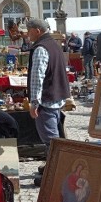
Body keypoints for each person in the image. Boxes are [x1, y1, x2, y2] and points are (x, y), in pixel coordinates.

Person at [26, 18, 69, 183]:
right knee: (53, 136)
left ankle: (56, 173)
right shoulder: (53, 44)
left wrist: (34, 102)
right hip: (55, 96)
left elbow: (38, 77)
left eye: (29, 31)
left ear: (37, 30)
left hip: (46, 99)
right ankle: (53, 165)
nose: (28, 34)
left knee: (51, 139)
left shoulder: (41, 48)